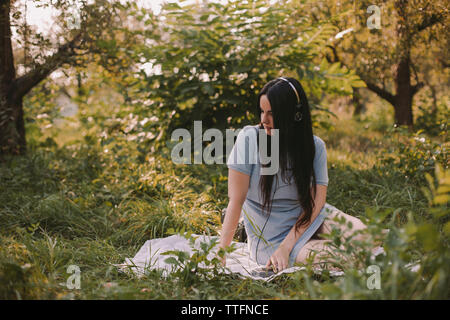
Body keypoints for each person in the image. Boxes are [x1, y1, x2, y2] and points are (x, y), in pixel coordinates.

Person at [218, 76, 384, 273]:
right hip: (272, 237)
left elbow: (316, 204)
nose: (264, 120)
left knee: (366, 239)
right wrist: (221, 254)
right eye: (262, 112)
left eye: (272, 113)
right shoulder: (249, 139)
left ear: (294, 115)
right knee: (345, 258)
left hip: (310, 219)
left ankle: (342, 238)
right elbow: (235, 201)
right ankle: (319, 246)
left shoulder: (315, 147)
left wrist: (287, 247)